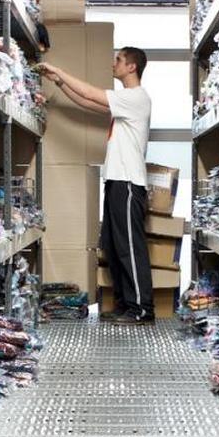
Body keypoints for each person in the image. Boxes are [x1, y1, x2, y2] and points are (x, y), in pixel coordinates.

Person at [36, 48, 155, 325]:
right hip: (116, 181)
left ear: (132, 66)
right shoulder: (125, 101)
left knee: (129, 247)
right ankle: (127, 305)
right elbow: (88, 103)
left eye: (118, 60)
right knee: (114, 246)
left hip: (128, 183)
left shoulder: (136, 98)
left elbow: (91, 94)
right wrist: (59, 82)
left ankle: (142, 309)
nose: (113, 64)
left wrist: (60, 71)